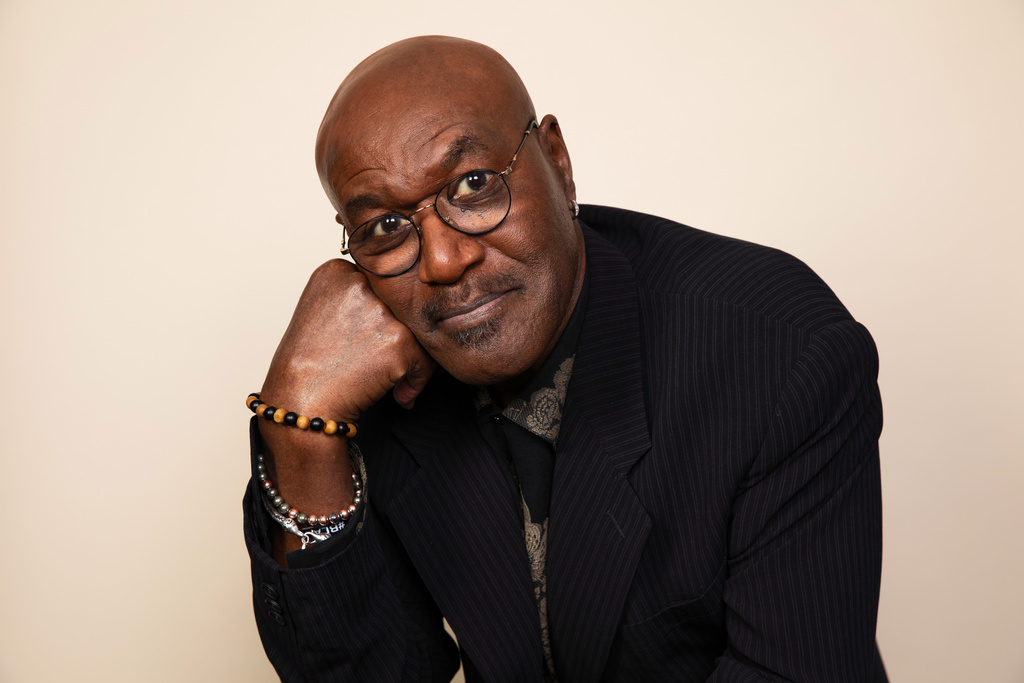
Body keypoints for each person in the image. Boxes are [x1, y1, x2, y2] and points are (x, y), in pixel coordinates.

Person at [243, 35, 887, 682]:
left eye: (473, 185)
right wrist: (297, 428)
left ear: (557, 160)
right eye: (384, 226)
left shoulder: (779, 351)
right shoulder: (373, 369)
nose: (441, 261)